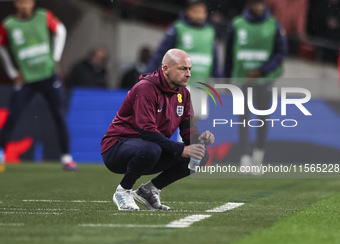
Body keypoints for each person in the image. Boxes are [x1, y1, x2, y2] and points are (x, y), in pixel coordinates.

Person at [101, 49, 215, 211]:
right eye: (183, 68)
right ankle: (123, 191)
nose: (188, 74)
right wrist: (180, 148)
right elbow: (146, 131)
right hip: (116, 148)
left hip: (150, 149)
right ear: (166, 69)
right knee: (151, 148)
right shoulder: (145, 88)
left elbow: (187, 131)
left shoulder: (183, 94)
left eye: (189, 69)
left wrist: (199, 140)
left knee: (200, 155)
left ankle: (149, 190)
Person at [0, 0, 77, 171]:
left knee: (59, 115)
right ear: (15, 4)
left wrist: (56, 58)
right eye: (20, 2)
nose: (24, 5)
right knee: (13, 115)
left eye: (27, 2)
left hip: (49, 76)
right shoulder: (9, 25)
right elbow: (1, 46)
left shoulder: (43, 16)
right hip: (27, 79)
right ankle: (0, 154)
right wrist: (12, 72)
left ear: (32, 3)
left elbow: (61, 30)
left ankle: (66, 158)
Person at [225, 0, 287, 171]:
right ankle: (245, 157)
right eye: (255, 4)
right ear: (249, 5)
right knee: (243, 118)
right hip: (242, 80)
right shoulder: (237, 24)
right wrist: (225, 77)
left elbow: (281, 52)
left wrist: (262, 70)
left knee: (262, 119)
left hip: (264, 80)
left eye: (261, 4)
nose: (259, 7)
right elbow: (229, 52)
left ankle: (258, 154)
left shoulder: (274, 24)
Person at [144, 0, 221, 120]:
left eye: (202, 12)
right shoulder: (178, 28)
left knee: (196, 118)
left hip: (201, 83)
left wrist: (219, 78)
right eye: (196, 12)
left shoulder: (210, 31)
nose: (200, 15)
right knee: (185, 117)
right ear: (188, 12)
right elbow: (160, 53)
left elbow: (214, 57)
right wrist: (147, 74)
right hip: (183, 82)